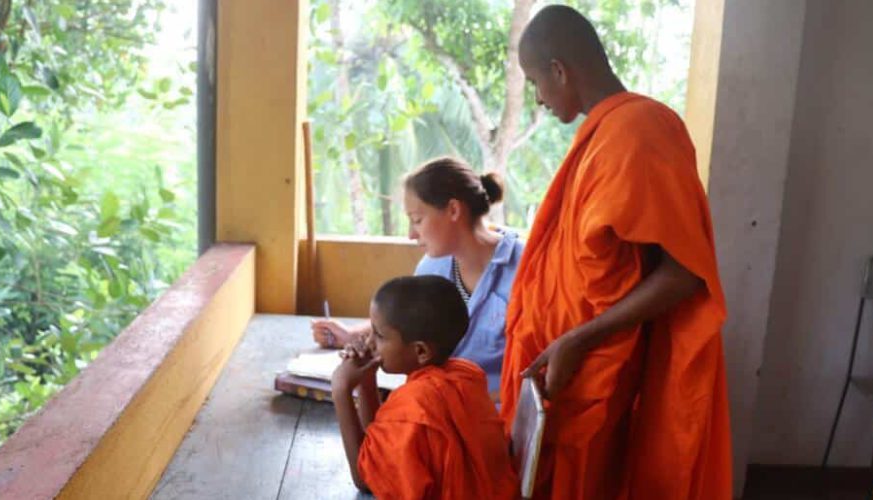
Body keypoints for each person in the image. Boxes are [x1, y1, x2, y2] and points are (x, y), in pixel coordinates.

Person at [499, 5, 732, 499]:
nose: (538, 98)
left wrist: (580, 339)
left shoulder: (643, 130)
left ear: (559, 70)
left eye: (535, 82)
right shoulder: (603, 133)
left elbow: (684, 274)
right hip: (565, 364)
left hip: (596, 365)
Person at [313, 157, 524, 394]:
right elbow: (411, 323)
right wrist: (352, 336)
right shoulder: (434, 266)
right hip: (434, 407)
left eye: (417, 220)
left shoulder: (526, 270)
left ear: (453, 210)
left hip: (493, 418)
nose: (411, 234)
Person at [331, 275, 517, 499]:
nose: (369, 342)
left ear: (421, 352)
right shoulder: (467, 374)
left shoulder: (416, 402)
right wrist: (366, 380)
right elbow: (380, 450)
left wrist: (341, 390)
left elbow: (365, 479)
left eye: (379, 335)